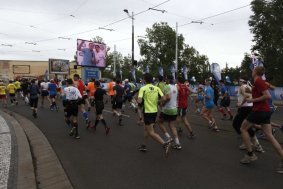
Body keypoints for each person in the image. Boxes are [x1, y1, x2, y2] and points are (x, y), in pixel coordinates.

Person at [239, 67, 283, 174]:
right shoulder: (259, 82)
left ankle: (250, 154)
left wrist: (251, 100)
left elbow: (266, 96)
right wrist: (251, 89)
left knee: (243, 129)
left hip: (259, 111)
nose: (252, 71)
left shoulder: (258, 81)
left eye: (253, 70)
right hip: (265, 111)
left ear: (256, 72)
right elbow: (266, 89)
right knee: (269, 136)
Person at [137, 73, 172, 157]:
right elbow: (164, 98)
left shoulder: (143, 88)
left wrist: (137, 101)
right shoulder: (156, 88)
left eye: (143, 79)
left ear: (145, 79)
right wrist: (157, 102)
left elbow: (139, 101)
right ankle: (144, 146)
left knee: (151, 132)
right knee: (146, 129)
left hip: (147, 112)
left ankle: (164, 144)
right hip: (154, 111)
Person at [232, 78, 264, 152]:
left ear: (243, 82)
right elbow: (249, 95)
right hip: (250, 107)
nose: (239, 82)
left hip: (244, 108)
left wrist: (240, 104)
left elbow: (246, 96)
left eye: (240, 81)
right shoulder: (248, 87)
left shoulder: (242, 87)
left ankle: (247, 142)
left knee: (236, 124)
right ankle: (257, 144)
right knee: (247, 126)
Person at [158, 75, 181, 150]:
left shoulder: (167, 87)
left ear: (168, 80)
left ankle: (168, 137)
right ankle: (177, 143)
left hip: (167, 109)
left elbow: (167, 97)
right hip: (174, 109)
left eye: (166, 79)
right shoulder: (176, 87)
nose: (165, 80)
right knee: (172, 125)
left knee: (160, 122)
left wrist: (161, 103)